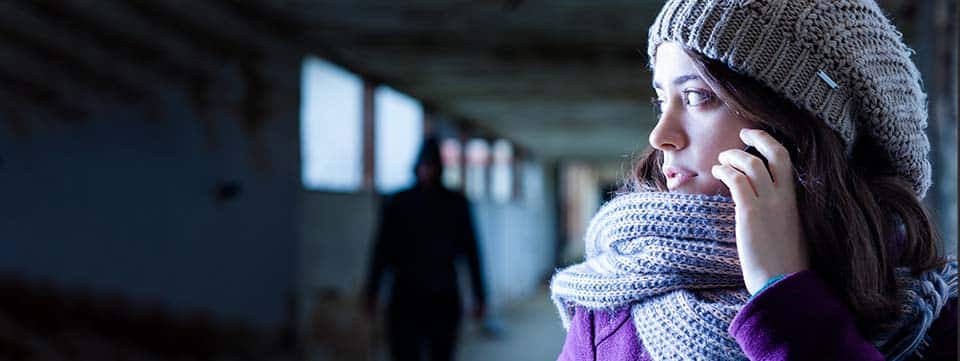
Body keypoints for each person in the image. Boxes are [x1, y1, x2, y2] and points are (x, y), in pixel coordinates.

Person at [550, 0, 957, 360]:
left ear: (795, 126)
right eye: (661, 101)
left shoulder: (934, 312)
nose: (660, 136)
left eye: (696, 97)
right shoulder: (612, 309)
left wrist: (784, 292)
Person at [364, 137, 487, 361]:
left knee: (441, 354)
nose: (427, 171)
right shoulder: (398, 203)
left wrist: (480, 296)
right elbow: (381, 251)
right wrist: (371, 292)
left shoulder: (455, 204)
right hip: (405, 297)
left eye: (431, 165)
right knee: (404, 353)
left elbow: (472, 252)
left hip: (442, 297)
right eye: (424, 165)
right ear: (416, 167)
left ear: (439, 168)